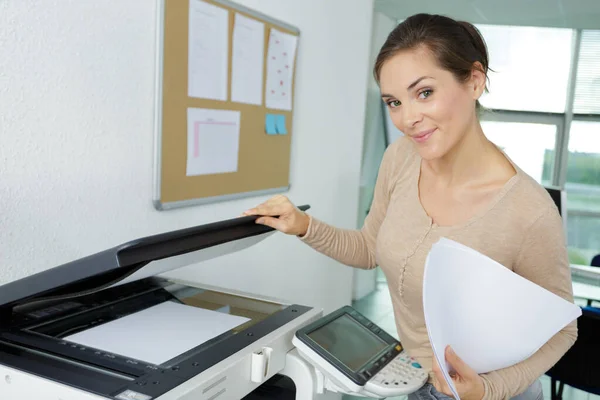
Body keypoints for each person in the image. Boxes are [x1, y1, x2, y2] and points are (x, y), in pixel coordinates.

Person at [243, 13, 577, 400]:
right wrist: (302, 224)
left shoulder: (528, 210)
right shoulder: (400, 158)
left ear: (474, 80)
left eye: (424, 93)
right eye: (393, 102)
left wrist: (489, 389)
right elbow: (370, 248)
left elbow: (563, 329)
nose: (407, 119)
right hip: (415, 380)